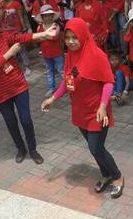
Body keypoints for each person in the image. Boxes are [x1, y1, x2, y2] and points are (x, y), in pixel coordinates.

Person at [41, 19, 123, 197]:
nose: (70, 41)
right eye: (68, 37)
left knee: (96, 148)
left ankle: (117, 176)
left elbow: (109, 82)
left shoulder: (97, 55)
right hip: (80, 111)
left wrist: (103, 106)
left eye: (75, 38)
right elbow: (67, 81)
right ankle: (106, 174)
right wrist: (52, 98)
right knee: (94, 147)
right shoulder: (70, 55)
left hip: (97, 111)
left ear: (83, 36)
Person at [0, 12, 55, 164]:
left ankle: (32, 148)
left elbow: (22, 38)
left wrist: (44, 33)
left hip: (18, 85)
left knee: (25, 119)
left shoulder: (3, 36)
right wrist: (10, 53)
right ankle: (21, 148)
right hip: (0, 92)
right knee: (11, 122)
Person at [35, 4, 65, 97]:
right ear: (42, 17)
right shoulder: (39, 27)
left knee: (61, 70)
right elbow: (36, 39)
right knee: (49, 70)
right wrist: (46, 36)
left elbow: (54, 37)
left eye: (49, 15)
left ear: (52, 16)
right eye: (45, 15)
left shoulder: (56, 25)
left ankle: (68, 86)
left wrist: (43, 36)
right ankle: (52, 88)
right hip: (46, 54)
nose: (47, 17)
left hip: (57, 53)